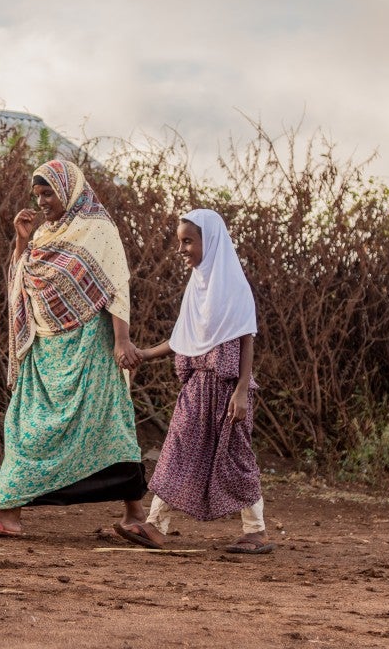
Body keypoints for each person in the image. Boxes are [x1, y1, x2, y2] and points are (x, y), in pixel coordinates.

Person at [0, 159, 147, 537]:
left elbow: (115, 286)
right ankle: (11, 511)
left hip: (89, 350)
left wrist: (122, 340)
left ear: (70, 191)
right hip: (45, 352)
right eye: (38, 194)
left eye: (49, 193)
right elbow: (21, 285)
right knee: (25, 426)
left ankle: (132, 516)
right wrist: (22, 241)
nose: (42, 201)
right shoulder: (44, 234)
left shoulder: (98, 230)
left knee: (109, 424)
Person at [112, 209, 274, 554]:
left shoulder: (233, 285)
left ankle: (256, 530)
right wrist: (144, 353)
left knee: (235, 458)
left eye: (189, 241)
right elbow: (182, 338)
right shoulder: (198, 286)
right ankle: (156, 526)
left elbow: (246, 336)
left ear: (210, 241)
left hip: (228, 386)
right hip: (197, 387)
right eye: (179, 242)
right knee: (177, 452)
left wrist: (242, 390)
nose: (182, 248)